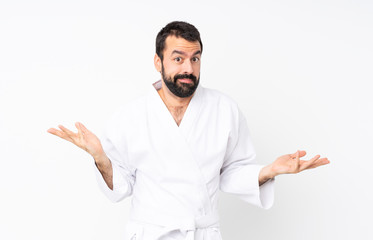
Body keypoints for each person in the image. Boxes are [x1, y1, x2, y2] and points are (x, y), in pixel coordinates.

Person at [48, 21, 329, 240]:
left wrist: (268, 170)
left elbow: (230, 174)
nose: (188, 68)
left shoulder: (224, 109)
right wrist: (101, 158)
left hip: (202, 233)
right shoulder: (129, 117)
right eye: (178, 58)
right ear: (158, 62)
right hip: (150, 233)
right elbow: (121, 187)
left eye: (195, 58)